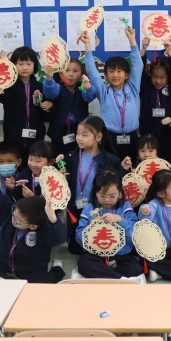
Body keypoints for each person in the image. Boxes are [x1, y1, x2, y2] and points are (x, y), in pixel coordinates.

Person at [0, 160, 65, 283]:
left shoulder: (44, 229)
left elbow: (59, 238)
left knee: (43, 283)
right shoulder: (10, 212)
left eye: (18, 221)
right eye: (14, 214)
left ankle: (57, 269)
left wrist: (53, 219)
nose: (13, 219)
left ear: (33, 226)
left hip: (31, 270)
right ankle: (12, 279)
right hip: (6, 265)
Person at [82, 26, 141, 163]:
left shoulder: (132, 88)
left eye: (119, 71)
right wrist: (87, 45)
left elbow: (137, 65)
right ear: (106, 75)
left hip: (132, 137)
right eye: (111, 71)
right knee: (110, 169)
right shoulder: (104, 92)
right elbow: (92, 71)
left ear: (127, 75)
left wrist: (132, 40)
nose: (115, 75)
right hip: (110, 137)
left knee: (131, 170)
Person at [62, 116, 121, 253]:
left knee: (97, 244)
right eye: (78, 133)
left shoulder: (109, 160)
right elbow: (66, 180)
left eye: (84, 135)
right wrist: (62, 173)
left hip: (98, 208)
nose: (79, 138)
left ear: (98, 137)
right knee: (76, 247)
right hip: (75, 207)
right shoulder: (70, 157)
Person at [73, 169, 143, 281]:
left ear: (120, 194)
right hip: (96, 254)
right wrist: (92, 226)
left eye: (112, 196)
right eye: (102, 195)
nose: (106, 200)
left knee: (136, 268)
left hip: (121, 254)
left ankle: (103, 275)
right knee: (84, 264)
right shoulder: (89, 209)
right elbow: (78, 238)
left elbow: (136, 235)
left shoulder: (125, 207)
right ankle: (120, 279)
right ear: (95, 193)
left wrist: (120, 220)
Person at [0, 47, 46, 158]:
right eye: (20, 64)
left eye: (29, 64)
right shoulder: (7, 86)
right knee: (14, 167)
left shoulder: (40, 87)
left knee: (34, 167)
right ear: (13, 65)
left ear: (35, 65)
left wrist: (49, 107)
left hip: (36, 140)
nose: (25, 67)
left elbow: (46, 114)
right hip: (13, 140)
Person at [41, 57, 96, 157]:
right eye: (67, 70)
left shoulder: (83, 89)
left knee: (77, 158)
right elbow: (49, 93)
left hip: (79, 133)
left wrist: (88, 88)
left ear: (81, 75)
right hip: (58, 133)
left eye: (75, 71)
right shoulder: (57, 87)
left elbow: (89, 97)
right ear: (61, 73)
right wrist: (49, 78)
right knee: (59, 159)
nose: (71, 74)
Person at [139, 42, 171, 162]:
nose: (158, 81)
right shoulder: (145, 87)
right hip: (148, 138)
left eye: (162, 77)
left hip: (170, 137)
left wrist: (170, 52)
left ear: (168, 77)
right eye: (154, 77)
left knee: (168, 166)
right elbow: (139, 69)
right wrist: (143, 49)